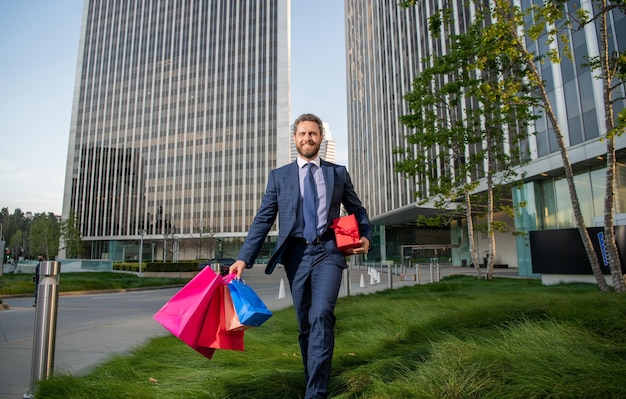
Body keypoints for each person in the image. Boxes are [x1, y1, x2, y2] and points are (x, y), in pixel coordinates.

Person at [229, 113, 372, 399]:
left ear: (321, 138)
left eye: (313, 134)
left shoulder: (337, 173)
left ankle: (315, 394)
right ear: (295, 138)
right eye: (302, 133)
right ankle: (313, 382)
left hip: (328, 252)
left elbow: (358, 210)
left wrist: (365, 234)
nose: (308, 138)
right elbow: (263, 219)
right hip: (295, 255)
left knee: (321, 315)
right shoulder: (279, 176)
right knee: (305, 323)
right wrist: (244, 257)